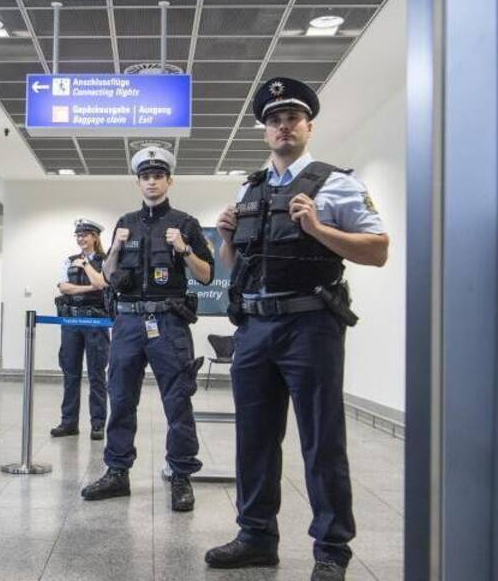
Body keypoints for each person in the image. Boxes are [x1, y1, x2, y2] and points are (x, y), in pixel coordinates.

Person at [204, 78, 389, 581]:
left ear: (309, 125)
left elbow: (378, 250)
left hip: (311, 324)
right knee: (255, 438)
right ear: (265, 131)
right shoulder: (251, 187)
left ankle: (332, 549)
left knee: (321, 439)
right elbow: (234, 264)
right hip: (256, 329)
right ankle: (256, 536)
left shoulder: (337, 183)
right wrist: (225, 239)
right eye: (274, 120)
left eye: (292, 118)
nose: (283, 127)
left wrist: (319, 229)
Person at [80, 147, 213, 513]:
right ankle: (117, 471)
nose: (152, 181)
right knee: (120, 398)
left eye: (158, 175)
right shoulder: (125, 223)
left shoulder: (185, 223)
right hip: (127, 323)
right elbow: (107, 277)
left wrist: (184, 249)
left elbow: (206, 274)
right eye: (145, 176)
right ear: (138, 181)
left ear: (170, 180)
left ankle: (181, 474)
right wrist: (116, 247)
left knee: (177, 400)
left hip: (168, 322)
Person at [50, 218, 110, 440]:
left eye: (85, 234)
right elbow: (63, 287)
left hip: (96, 322)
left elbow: (103, 284)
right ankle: (69, 423)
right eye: (78, 235)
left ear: (95, 237)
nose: (81, 238)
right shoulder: (68, 260)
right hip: (72, 323)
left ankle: (98, 424)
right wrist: (88, 287)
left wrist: (86, 267)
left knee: (96, 374)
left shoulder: (105, 261)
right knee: (70, 373)